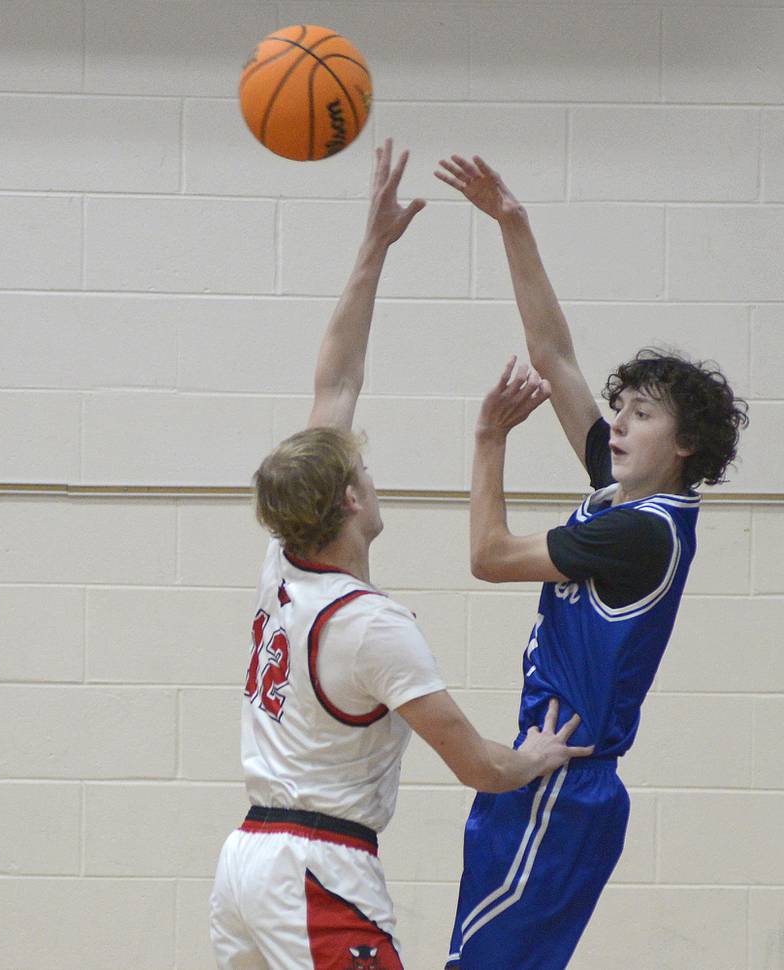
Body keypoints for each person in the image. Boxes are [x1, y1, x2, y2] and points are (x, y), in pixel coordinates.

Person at [209, 140, 592, 970]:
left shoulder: (284, 565)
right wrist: (540, 755)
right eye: (365, 471)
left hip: (246, 862)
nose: (372, 475)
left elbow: (336, 381)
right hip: (317, 870)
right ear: (350, 500)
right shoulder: (371, 627)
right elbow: (480, 766)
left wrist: (373, 248)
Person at [434, 153, 749, 970]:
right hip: (550, 779)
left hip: (562, 786)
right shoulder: (625, 500)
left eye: (641, 414)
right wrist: (512, 221)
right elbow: (554, 356)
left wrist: (487, 440)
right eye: (620, 408)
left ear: (682, 446)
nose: (617, 421)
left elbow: (489, 556)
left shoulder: (642, 531)